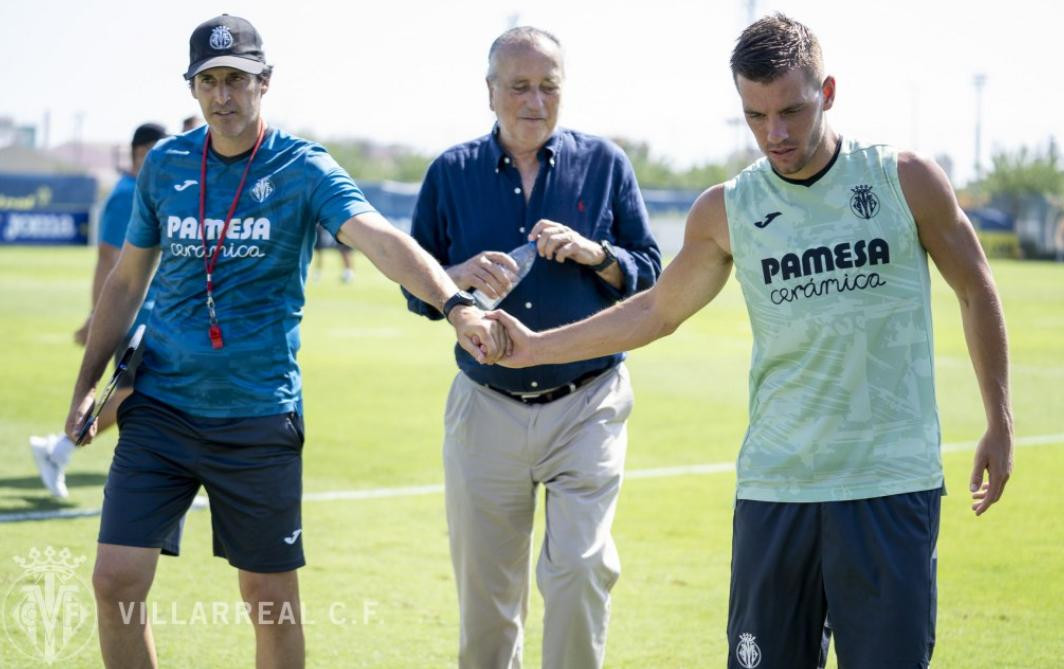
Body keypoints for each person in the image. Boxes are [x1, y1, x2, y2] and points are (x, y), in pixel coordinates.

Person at [490, 14, 1013, 669]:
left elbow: (977, 289)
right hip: (776, 491)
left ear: (827, 91)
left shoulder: (903, 181)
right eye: (756, 116)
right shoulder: (729, 208)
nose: (777, 133)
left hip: (887, 485)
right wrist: (533, 347)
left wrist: (1000, 421)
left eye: (791, 110)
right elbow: (655, 309)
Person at [65, 15, 504, 669]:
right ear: (192, 89)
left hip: (257, 414)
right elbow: (127, 282)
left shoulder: (302, 168)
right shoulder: (165, 166)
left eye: (237, 80)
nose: (223, 96)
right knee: (114, 581)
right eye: (209, 81)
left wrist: (456, 304)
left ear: (264, 82)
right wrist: (85, 387)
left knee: (268, 598)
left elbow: (380, 238)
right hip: (160, 406)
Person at [404, 26, 661, 669]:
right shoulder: (449, 172)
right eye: (519, 86)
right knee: (489, 603)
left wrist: (594, 252)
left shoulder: (605, 164)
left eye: (549, 86)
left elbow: (650, 272)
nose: (535, 101)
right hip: (485, 403)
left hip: (588, 401)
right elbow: (418, 286)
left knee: (579, 571)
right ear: (490, 92)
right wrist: (458, 276)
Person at [29, 122, 167, 498]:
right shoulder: (127, 195)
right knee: (134, 393)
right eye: (153, 154)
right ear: (138, 154)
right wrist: (97, 316)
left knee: (144, 394)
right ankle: (59, 448)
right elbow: (108, 259)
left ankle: (59, 449)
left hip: (153, 315)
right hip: (134, 316)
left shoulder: (148, 190)